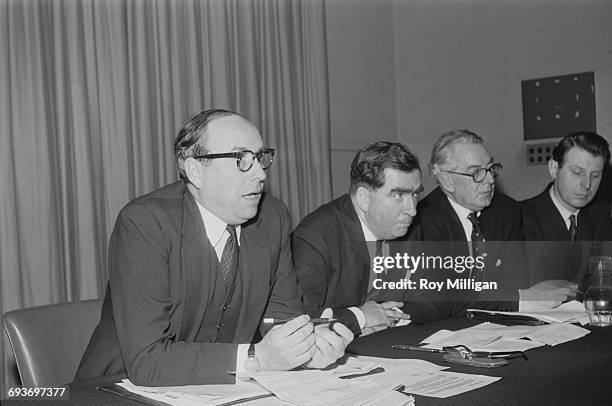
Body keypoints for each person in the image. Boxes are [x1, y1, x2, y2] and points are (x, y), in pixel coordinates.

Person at [75, 109, 353, 386]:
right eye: (240, 159)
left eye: (260, 157)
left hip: (221, 389)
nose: (260, 173)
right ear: (195, 170)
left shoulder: (272, 218)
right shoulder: (145, 224)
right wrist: (256, 358)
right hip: (117, 388)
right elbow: (148, 360)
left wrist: (305, 348)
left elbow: (280, 318)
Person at [405, 129, 575, 323]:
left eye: (491, 169)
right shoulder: (423, 221)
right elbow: (448, 295)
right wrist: (519, 298)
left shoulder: (506, 211)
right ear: (446, 180)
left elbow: (514, 281)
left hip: (496, 325)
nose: (490, 180)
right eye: (477, 172)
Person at [292, 142, 420, 336]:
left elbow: (428, 296)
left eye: (415, 194)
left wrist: (390, 317)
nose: (412, 210)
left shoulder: (407, 229)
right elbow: (298, 320)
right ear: (364, 199)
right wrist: (359, 318)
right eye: (398, 195)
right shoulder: (315, 236)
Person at [521, 132, 612, 287]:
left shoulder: (601, 215)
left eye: (595, 175)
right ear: (554, 168)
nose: (587, 184)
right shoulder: (521, 217)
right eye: (577, 172)